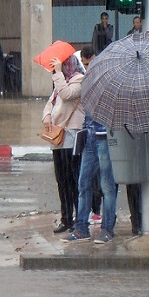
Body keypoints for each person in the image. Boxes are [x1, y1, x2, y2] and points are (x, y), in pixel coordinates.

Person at [62, 46, 118, 244]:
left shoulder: (108, 80)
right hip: (92, 136)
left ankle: (107, 228)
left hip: (104, 137)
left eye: (90, 62)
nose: (88, 66)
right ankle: (81, 228)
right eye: (85, 64)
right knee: (84, 183)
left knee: (106, 185)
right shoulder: (87, 80)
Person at [42, 51, 85, 234]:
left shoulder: (79, 79)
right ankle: (65, 217)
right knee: (61, 180)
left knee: (72, 179)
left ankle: (78, 218)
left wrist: (58, 73)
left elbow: (66, 95)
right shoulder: (59, 82)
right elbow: (50, 103)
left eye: (62, 64)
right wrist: (46, 117)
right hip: (57, 136)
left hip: (71, 135)